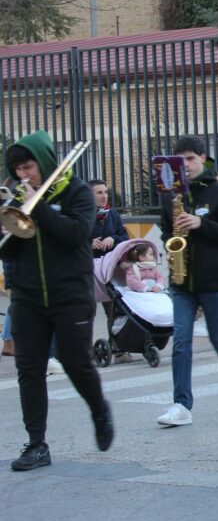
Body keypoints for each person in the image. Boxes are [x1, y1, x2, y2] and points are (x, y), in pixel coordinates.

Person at [1, 131, 113, 470]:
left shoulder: (76, 192)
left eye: (29, 167)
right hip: (28, 296)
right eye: (18, 170)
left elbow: (75, 235)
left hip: (70, 294)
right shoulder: (17, 196)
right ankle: (37, 443)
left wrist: (37, 207)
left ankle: (99, 410)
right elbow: (10, 250)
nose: (23, 175)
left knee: (75, 362)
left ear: (44, 162)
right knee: (29, 368)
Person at [156, 136, 218, 427]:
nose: (185, 165)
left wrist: (201, 224)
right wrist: (171, 241)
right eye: (180, 160)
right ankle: (181, 405)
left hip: (213, 278)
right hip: (182, 280)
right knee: (181, 341)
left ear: (202, 158)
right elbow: (165, 231)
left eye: (190, 159)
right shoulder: (171, 195)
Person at [89, 179, 128, 258]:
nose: (104, 196)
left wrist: (113, 238)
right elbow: (69, 240)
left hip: (110, 260)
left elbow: (125, 237)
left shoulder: (113, 214)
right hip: (87, 261)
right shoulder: (81, 214)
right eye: (99, 193)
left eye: (106, 192)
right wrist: (88, 244)